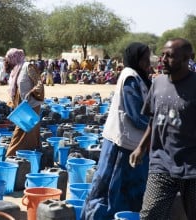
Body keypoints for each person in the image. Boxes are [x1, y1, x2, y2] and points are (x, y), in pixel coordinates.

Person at [81, 42, 152, 220]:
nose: (147, 62)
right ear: (135, 58)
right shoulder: (130, 77)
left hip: (135, 143)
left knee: (129, 188)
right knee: (112, 186)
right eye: (144, 58)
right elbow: (136, 114)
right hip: (122, 144)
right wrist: (159, 126)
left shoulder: (140, 77)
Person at [129, 38, 196, 219]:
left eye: (170, 56)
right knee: (150, 214)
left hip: (192, 167)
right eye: (163, 54)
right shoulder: (158, 83)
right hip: (161, 163)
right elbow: (154, 120)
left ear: (188, 58)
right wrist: (141, 147)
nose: (163, 59)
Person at [4, 48, 44, 157]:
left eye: (10, 59)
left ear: (15, 57)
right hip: (22, 107)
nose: (8, 62)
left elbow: (39, 83)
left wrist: (32, 92)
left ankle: (10, 157)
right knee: (30, 133)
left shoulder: (28, 67)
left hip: (31, 106)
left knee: (22, 133)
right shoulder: (16, 70)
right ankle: (34, 156)